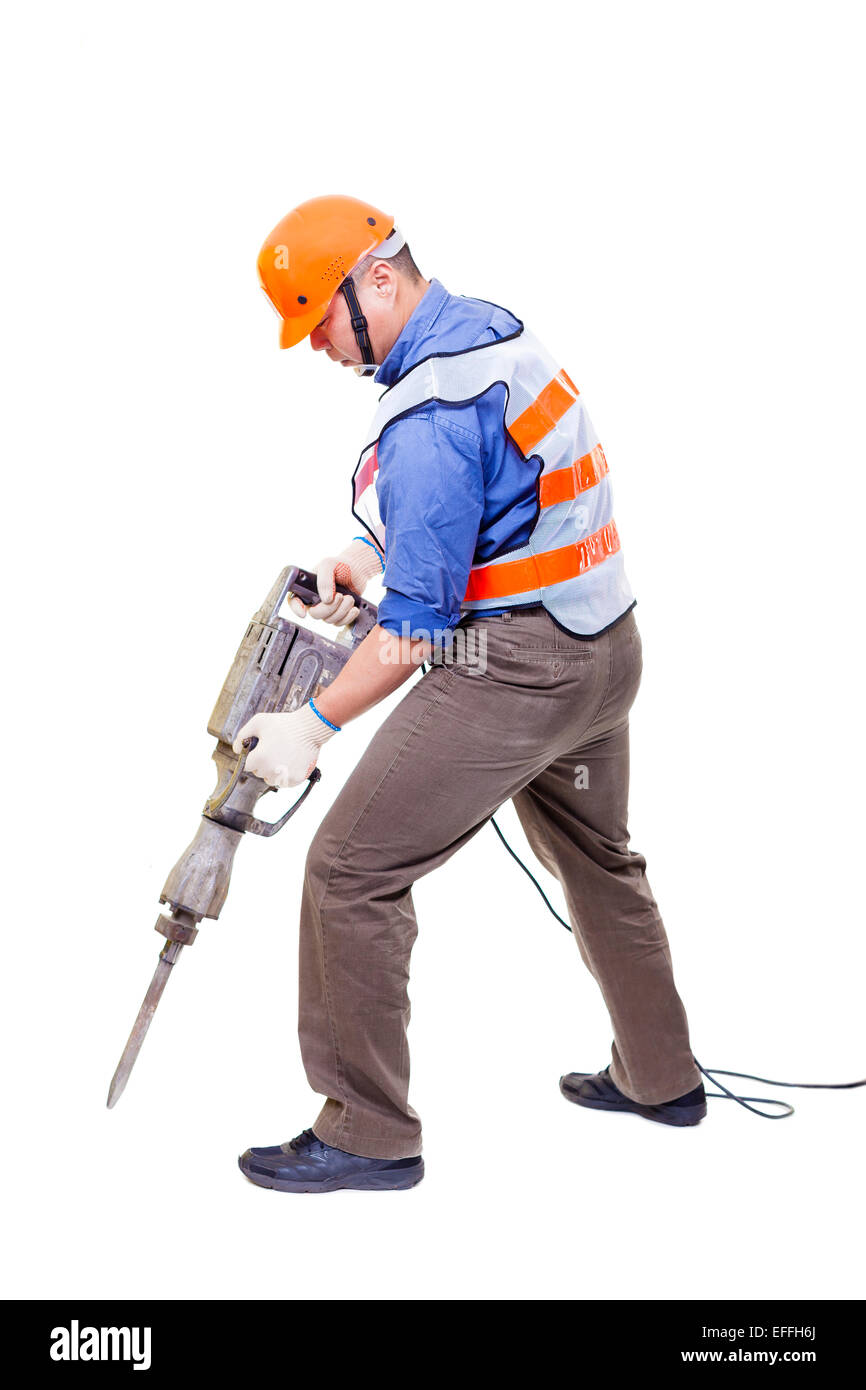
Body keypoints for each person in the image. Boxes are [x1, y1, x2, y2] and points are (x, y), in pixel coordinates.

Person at [235, 195, 705, 1195]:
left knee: (346, 873)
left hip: (521, 669)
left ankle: (366, 1131)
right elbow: (498, 508)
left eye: (319, 314)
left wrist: (310, 726)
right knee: (597, 856)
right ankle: (662, 1077)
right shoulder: (490, 331)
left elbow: (419, 627)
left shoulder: (428, 411)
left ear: (379, 280)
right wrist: (370, 555)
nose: (316, 343)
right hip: (606, 647)